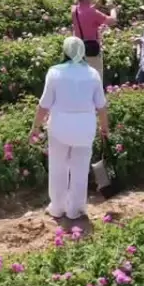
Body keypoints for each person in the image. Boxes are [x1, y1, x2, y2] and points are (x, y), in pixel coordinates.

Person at [30, 36, 109, 220]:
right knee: (80, 168)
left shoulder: (55, 72)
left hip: (60, 127)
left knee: (58, 166)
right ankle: (75, 209)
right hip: (85, 128)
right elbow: (101, 106)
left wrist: (35, 127)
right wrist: (104, 128)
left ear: (64, 51)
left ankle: (57, 207)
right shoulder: (92, 73)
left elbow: (44, 105)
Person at [72, 0, 118, 79]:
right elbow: (112, 20)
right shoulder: (93, 12)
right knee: (95, 78)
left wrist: (95, 6)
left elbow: (85, 13)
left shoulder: (74, 10)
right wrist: (112, 9)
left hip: (78, 48)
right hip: (91, 49)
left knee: (81, 78)